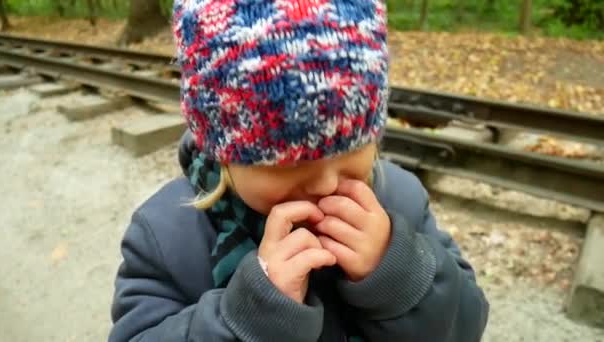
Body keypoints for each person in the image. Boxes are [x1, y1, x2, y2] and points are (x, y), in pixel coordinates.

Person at [108, 0, 489, 341]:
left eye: (350, 146)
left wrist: (399, 273)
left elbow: (467, 323)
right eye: (287, 162)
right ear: (223, 150)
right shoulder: (166, 236)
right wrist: (246, 319)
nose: (326, 182)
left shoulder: (399, 198)